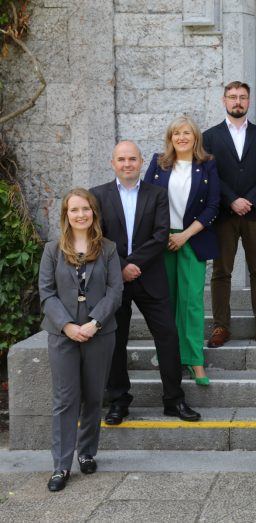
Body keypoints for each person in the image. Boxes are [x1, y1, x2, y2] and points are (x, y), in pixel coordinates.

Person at [91, 141, 201, 425]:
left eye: (132, 159)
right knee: (116, 340)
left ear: (141, 162)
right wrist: (121, 267)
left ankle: (174, 400)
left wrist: (133, 264)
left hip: (150, 276)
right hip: (114, 281)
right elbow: (97, 238)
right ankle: (118, 401)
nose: (127, 164)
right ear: (112, 163)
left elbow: (161, 233)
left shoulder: (157, 194)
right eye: (121, 159)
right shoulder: (98, 196)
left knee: (168, 336)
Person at [39, 188, 123, 491]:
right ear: (66, 215)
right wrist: (67, 326)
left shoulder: (109, 249)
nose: (80, 215)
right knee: (65, 400)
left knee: (93, 396)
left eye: (85, 209)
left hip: (99, 334)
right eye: (74, 210)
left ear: (93, 213)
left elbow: (115, 291)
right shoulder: (52, 250)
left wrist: (93, 323)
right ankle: (61, 465)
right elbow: (46, 293)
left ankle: (86, 453)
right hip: (62, 336)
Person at [144, 115, 220, 386]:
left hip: (192, 240)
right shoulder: (158, 163)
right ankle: (170, 356)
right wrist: (161, 235)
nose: (182, 137)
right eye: (176, 133)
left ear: (195, 137)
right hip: (163, 242)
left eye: (187, 132)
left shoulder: (207, 164)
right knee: (166, 303)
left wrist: (185, 236)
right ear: (170, 138)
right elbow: (148, 200)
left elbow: (213, 205)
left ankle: (195, 360)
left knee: (192, 303)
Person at [203, 81, 256, 348]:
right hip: (224, 213)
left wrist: (250, 200)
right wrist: (232, 200)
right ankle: (221, 327)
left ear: (249, 102)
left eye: (243, 97)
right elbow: (209, 175)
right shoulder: (210, 137)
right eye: (233, 97)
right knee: (221, 272)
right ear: (224, 100)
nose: (238, 102)